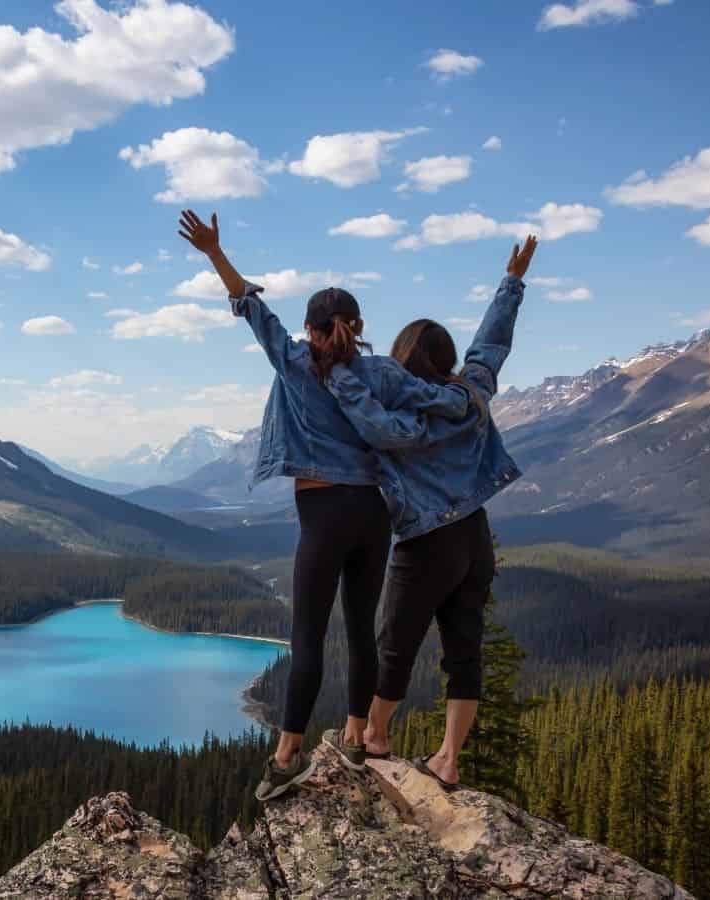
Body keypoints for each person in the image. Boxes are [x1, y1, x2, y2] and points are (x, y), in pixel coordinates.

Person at [178, 210, 470, 801]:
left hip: (321, 516)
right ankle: (359, 734)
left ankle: (287, 756)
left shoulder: (294, 362)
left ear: (311, 328)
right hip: (372, 516)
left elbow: (249, 307)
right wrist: (471, 394)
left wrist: (214, 252)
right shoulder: (381, 373)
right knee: (360, 630)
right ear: (357, 325)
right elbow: (438, 396)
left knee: (307, 635)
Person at [320, 235, 538, 790]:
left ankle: (375, 737)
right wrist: (511, 283)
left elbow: (370, 424)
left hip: (426, 544)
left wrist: (339, 370)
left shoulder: (403, 419)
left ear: (403, 362)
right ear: (445, 361)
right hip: (475, 538)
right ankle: (447, 758)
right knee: (463, 649)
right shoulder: (472, 394)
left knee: (395, 644)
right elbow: (491, 348)